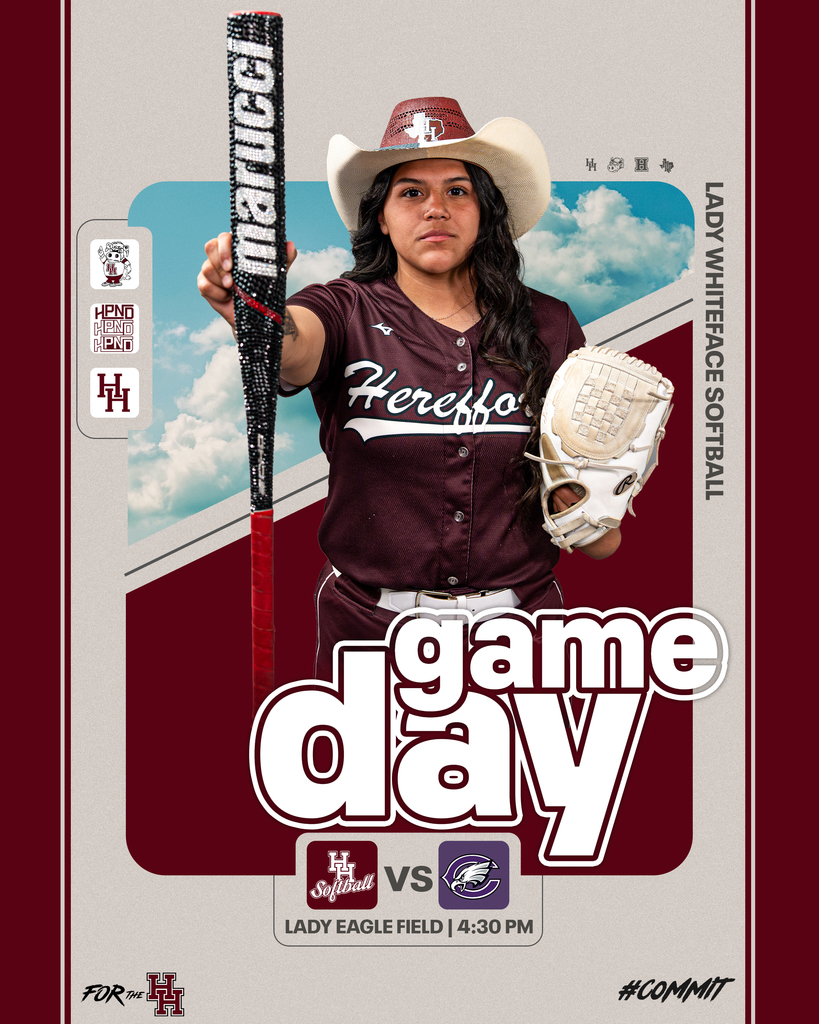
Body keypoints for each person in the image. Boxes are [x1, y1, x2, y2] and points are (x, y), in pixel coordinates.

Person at [198, 97, 620, 679]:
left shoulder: (550, 324)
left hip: (522, 639)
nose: (436, 210)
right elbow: (290, 352)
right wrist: (255, 310)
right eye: (411, 192)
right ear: (381, 216)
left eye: (457, 190)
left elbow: (601, 538)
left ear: (485, 211)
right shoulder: (341, 308)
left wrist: (592, 507)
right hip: (371, 643)